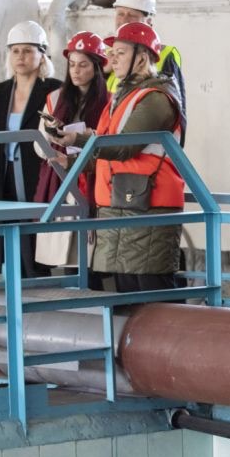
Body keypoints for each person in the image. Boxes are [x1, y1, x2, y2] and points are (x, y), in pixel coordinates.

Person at [87, 22, 186, 293]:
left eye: (120, 52)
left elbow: (122, 147)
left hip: (148, 204)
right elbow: (104, 152)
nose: (112, 58)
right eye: (111, 52)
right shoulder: (121, 97)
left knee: (153, 293)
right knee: (127, 295)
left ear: (141, 57)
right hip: (120, 202)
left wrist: (78, 141)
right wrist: (70, 162)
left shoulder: (156, 98)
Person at [0, 20, 62, 278]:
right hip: (2, 179)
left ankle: (39, 302)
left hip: (38, 177)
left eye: (27, 50)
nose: (20, 56)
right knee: (7, 247)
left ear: (42, 54)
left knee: (36, 247)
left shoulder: (55, 91)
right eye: (15, 50)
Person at [36, 32, 111, 279]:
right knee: (68, 259)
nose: (76, 71)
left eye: (83, 65)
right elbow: (38, 145)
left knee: (92, 259)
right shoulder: (55, 98)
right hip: (61, 179)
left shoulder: (110, 102)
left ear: (97, 67)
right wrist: (52, 136)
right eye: (72, 65)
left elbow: (110, 141)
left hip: (93, 180)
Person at [108, 0, 185, 122]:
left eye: (131, 15)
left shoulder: (166, 55)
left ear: (149, 22)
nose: (124, 20)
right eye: (120, 14)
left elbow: (177, 111)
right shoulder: (109, 54)